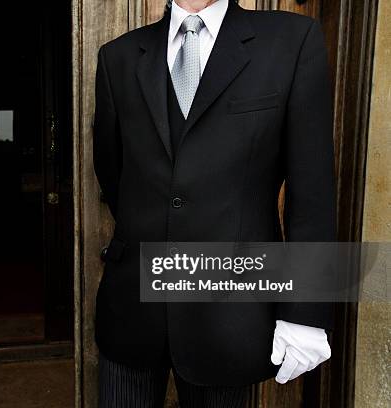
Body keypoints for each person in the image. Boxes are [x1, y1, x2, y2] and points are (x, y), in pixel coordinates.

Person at [92, 0, 336, 406]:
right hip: (132, 306)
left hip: (231, 313)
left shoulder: (291, 42)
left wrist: (306, 311)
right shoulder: (118, 56)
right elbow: (115, 176)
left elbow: (312, 194)